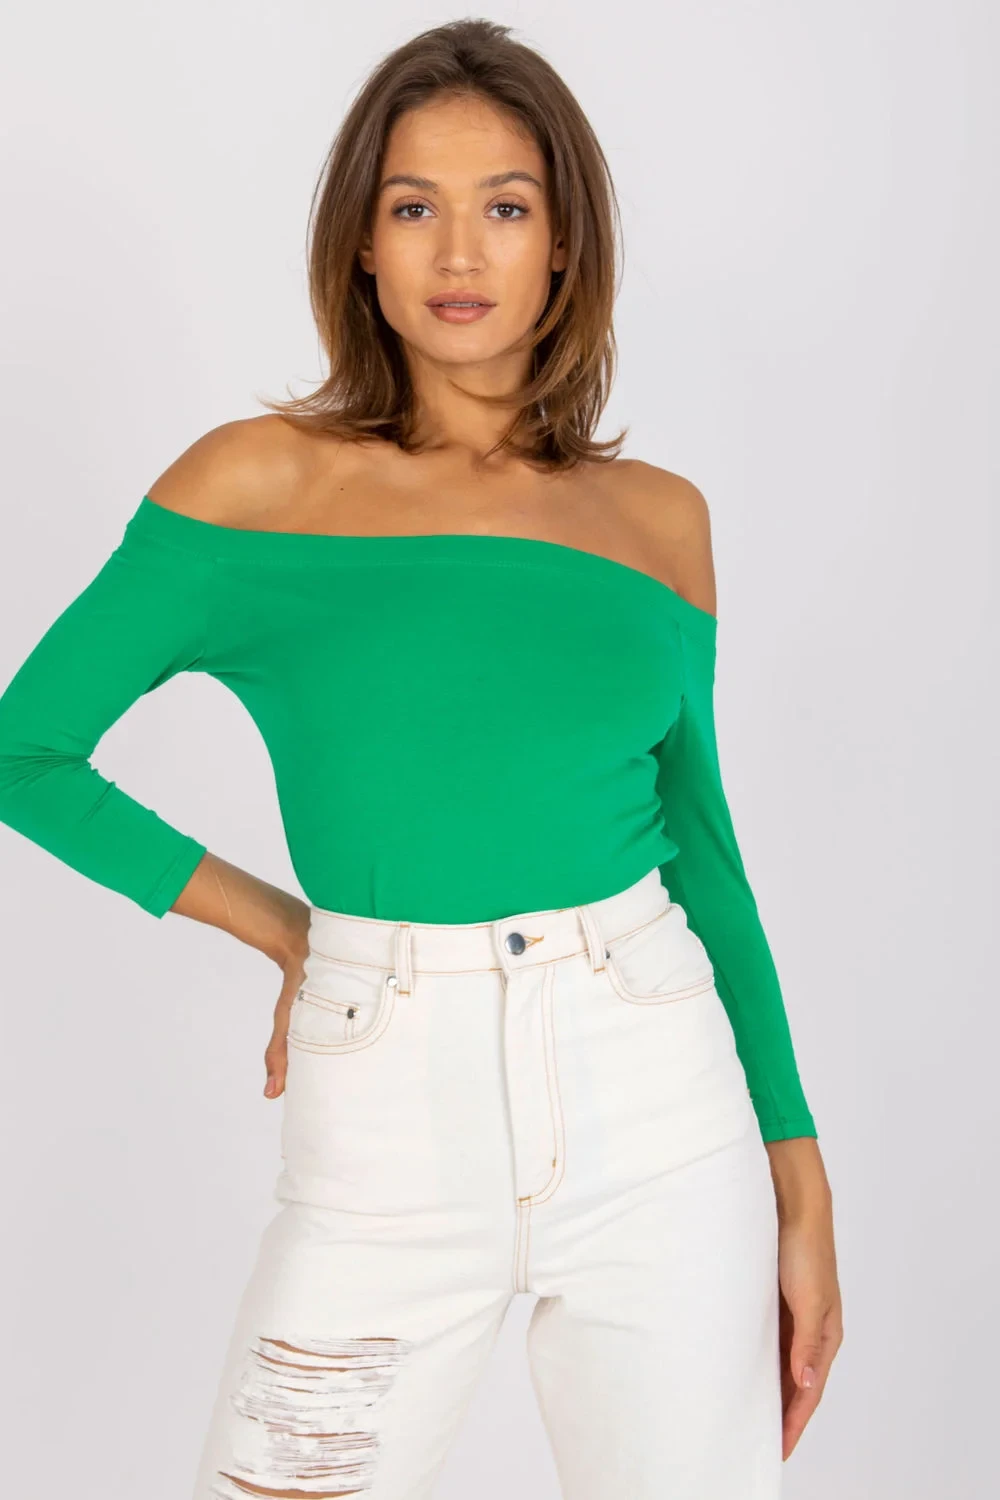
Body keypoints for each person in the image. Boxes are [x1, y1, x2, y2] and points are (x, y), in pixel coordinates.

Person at [0, 18, 842, 1499]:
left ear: (563, 247)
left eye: (506, 205)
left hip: (658, 1092)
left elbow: (703, 849)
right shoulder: (252, 488)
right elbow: (26, 751)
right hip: (383, 1110)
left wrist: (798, 1166)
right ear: (363, 246)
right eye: (414, 206)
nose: (460, 251)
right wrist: (285, 930)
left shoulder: (659, 520)